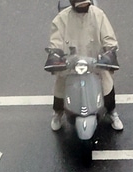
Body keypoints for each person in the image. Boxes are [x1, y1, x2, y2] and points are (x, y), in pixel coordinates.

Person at [49, 0, 123, 132]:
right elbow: (55, 43)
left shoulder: (98, 15)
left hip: (95, 64)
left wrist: (108, 53)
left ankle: (112, 112)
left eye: (86, 5)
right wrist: (56, 56)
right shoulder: (61, 19)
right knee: (60, 87)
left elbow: (109, 39)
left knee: (107, 85)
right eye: (80, 6)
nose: (84, 7)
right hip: (70, 66)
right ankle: (58, 113)